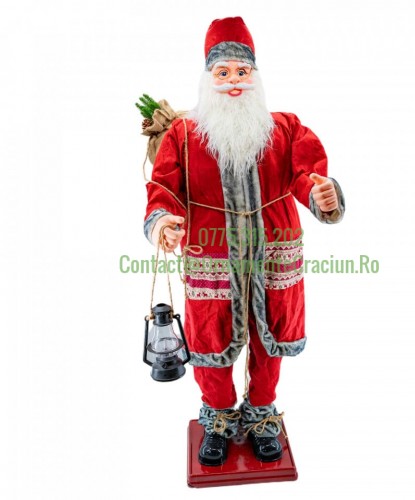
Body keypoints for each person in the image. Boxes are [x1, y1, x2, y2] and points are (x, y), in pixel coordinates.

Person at [144, 16, 345, 465]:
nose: (234, 81)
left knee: (272, 333)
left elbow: (307, 174)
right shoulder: (183, 136)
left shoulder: (286, 128)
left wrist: (322, 194)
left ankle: (261, 413)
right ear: (207, 79)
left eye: (242, 71)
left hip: (274, 253)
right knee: (210, 336)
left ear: (255, 76)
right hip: (211, 254)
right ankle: (217, 416)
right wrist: (163, 222)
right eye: (223, 72)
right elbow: (163, 188)